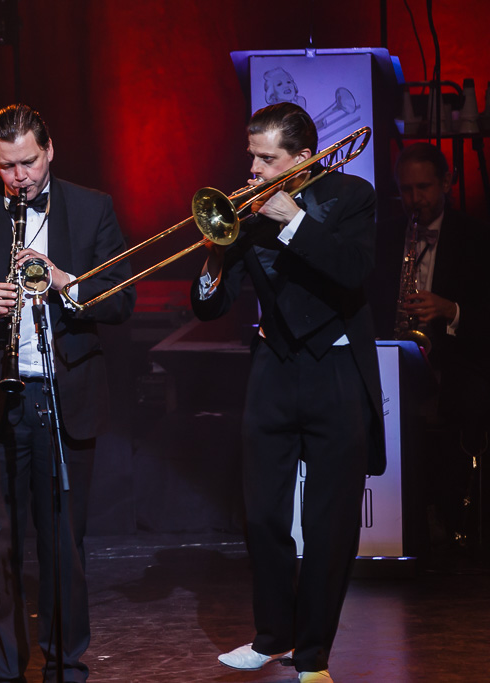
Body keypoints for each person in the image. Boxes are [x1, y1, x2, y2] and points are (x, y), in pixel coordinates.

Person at [0, 104, 135, 683]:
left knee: (64, 546)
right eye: (8, 165)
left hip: (66, 400)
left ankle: (65, 666)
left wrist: (66, 281)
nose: (20, 177)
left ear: (50, 151)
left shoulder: (92, 208)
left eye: (29, 162)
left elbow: (121, 300)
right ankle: (2, 671)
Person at [190, 103, 385, 683]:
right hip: (273, 369)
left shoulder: (353, 196)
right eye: (251, 155)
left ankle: (313, 654)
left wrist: (293, 218)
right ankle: (271, 635)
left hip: (337, 371)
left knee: (330, 523)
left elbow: (353, 272)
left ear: (302, 160)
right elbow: (209, 309)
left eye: (266, 158)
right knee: (263, 514)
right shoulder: (247, 210)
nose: (252, 168)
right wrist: (213, 256)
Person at [377, 142, 490, 548]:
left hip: (458, 359)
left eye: (424, 188)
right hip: (398, 359)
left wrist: (451, 310)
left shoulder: (477, 237)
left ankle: (457, 514)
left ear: (447, 182)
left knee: (468, 403)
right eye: (405, 189)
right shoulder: (387, 235)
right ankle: (402, 522)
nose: (415, 199)